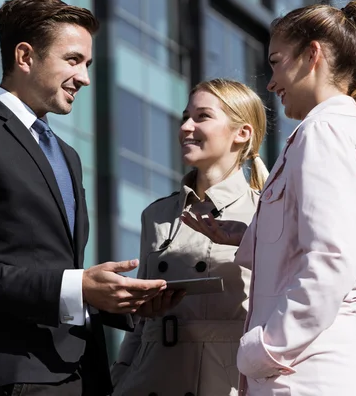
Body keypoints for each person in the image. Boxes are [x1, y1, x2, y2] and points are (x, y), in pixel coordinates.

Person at [0, 0, 167, 395]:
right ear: (25, 57)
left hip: (84, 375)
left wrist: (118, 300)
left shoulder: (67, 155)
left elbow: (55, 266)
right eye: (73, 60)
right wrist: (78, 287)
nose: (84, 77)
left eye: (86, 64)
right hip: (17, 376)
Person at [182, 1, 356, 396]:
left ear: (312, 55)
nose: (271, 83)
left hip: (309, 373)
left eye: (276, 62)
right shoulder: (341, 130)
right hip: (317, 366)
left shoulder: (322, 132)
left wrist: (263, 350)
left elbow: (329, 259)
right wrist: (250, 236)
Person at [111, 78, 269, 396]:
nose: (185, 126)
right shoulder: (156, 215)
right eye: (186, 116)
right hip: (148, 382)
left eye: (202, 117)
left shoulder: (265, 213)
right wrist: (116, 380)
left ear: (242, 133)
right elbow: (140, 326)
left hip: (223, 384)